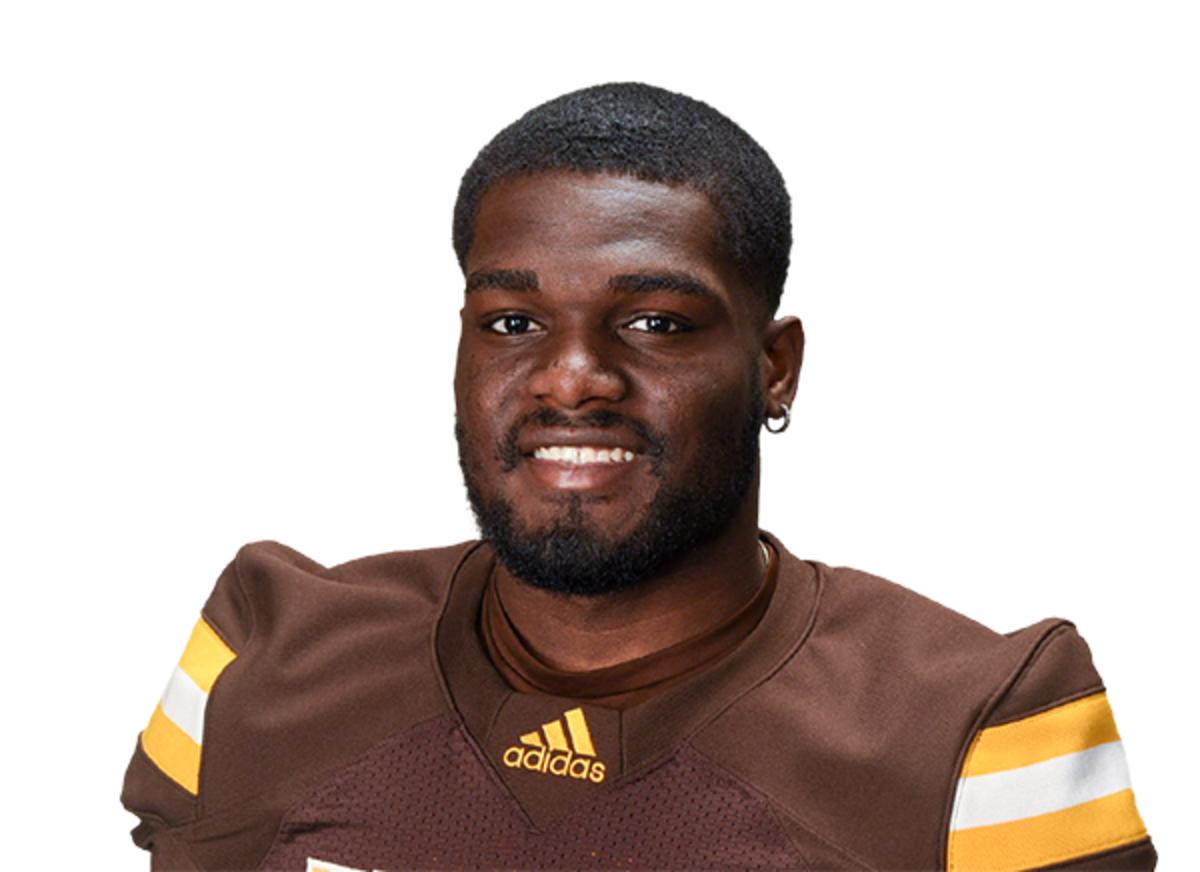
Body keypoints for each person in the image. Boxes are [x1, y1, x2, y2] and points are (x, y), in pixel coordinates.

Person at [121, 82, 1155, 871]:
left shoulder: (976, 727)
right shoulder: (266, 643)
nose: (572, 377)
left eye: (656, 321)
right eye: (512, 322)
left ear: (775, 365)